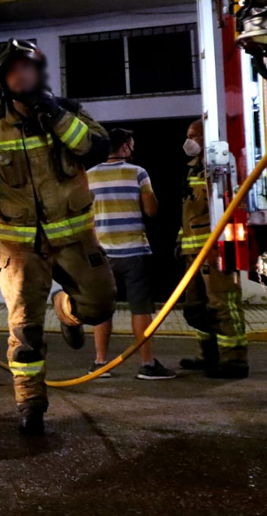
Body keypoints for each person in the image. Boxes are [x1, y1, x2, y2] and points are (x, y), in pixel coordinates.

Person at [0, 38, 115, 436]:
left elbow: (96, 149)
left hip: (76, 239)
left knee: (99, 308)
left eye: (26, 67)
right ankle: (30, 402)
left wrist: (55, 115)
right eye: (12, 71)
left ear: (38, 71)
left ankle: (67, 309)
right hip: (20, 246)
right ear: (3, 80)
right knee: (25, 329)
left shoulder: (71, 111)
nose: (20, 75)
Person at [86, 128, 176, 380]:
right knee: (140, 309)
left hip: (103, 254)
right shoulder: (138, 173)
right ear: (125, 147)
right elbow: (151, 210)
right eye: (131, 146)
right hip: (135, 251)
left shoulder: (89, 176)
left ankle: (100, 362)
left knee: (103, 309)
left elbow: (84, 215)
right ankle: (147, 364)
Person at [177, 120, 249, 378]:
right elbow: (189, 213)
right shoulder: (192, 170)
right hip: (193, 252)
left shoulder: (217, 168)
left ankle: (235, 360)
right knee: (197, 307)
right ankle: (209, 355)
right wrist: (180, 242)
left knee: (223, 303)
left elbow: (223, 204)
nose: (188, 141)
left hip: (214, 251)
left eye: (193, 136)